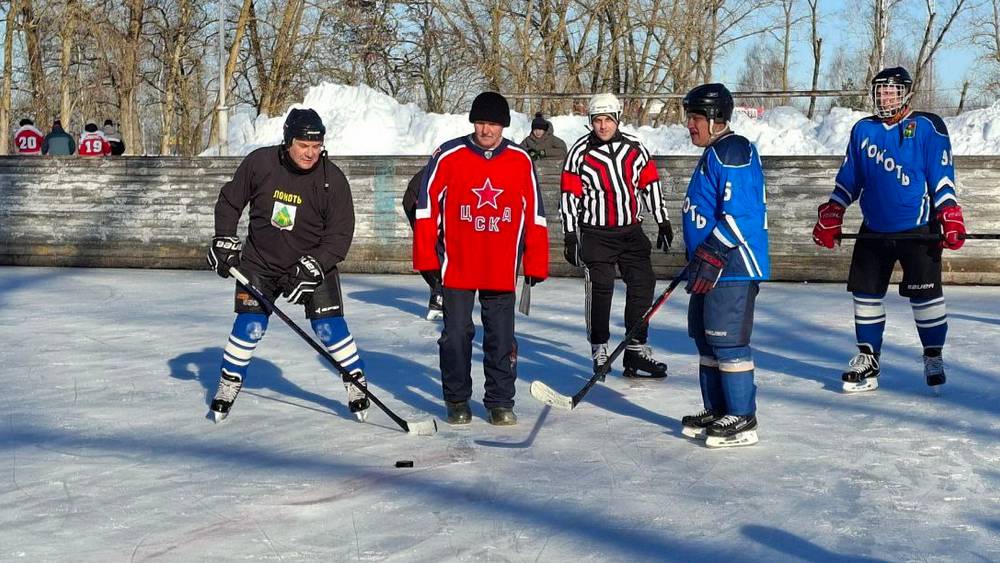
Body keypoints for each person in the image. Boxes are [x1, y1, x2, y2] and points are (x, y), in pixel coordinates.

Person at [206, 108, 370, 423]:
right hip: (260, 263)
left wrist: (316, 264)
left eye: (316, 146)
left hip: (311, 264)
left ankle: (355, 381)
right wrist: (224, 237)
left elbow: (340, 234)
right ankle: (229, 382)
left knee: (328, 328)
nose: (310, 153)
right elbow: (230, 201)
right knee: (250, 325)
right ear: (287, 141)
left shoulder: (332, 179)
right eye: (303, 145)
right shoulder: (260, 163)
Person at [812, 66, 964, 393]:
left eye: (891, 91)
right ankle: (869, 358)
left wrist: (949, 212)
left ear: (906, 93)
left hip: (918, 228)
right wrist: (834, 208)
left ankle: (933, 354)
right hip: (874, 228)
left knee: (925, 296)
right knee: (865, 294)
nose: (885, 97)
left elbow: (941, 174)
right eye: (880, 91)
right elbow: (850, 177)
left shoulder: (928, 126)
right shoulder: (863, 130)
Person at [413, 91, 549, 426]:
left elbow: (535, 213)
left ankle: (500, 401)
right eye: (481, 122)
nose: (486, 130)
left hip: (501, 267)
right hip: (458, 266)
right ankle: (457, 399)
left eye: (494, 124)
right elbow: (426, 207)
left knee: (501, 337)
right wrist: (426, 257)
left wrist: (536, 261)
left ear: (504, 125)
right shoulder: (448, 155)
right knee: (455, 335)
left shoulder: (520, 159)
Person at [676, 83, 769, 448]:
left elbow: (743, 214)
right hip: (709, 265)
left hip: (733, 266)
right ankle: (718, 409)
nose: (690, 125)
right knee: (706, 340)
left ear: (715, 119)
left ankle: (742, 417)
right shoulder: (714, 152)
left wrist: (713, 249)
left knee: (727, 342)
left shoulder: (733, 150)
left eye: (695, 117)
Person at [559, 92, 673, 379]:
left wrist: (662, 220)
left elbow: (649, 184)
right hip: (596, 233)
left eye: (608, 120)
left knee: (643, 285)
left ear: (617, 119)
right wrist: (570, 234)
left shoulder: (635, 149)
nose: (603, 126)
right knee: (601, 288)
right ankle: (599, 347)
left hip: (631, 232)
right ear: (591, 121)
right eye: (597, 120)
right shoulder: (579, 153)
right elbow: (569, 196)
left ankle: (635, 349)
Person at [400, 164, 443, 321]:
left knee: (433, 254)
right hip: (423, 206)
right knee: (433, 254)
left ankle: (439, 295)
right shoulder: (442, 167)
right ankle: (439, 295)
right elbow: (408, 200)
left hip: (423, 205)